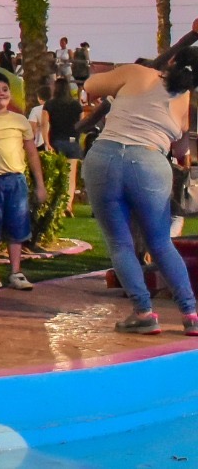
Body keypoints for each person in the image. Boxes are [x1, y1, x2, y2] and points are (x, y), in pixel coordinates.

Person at [78, 44, 198, 335]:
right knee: (160, 243)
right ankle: (190, 313)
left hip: (105, 155)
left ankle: (143, 312)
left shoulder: (137, 72)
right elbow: (180, 146)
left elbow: (91, 84)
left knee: (120, 243)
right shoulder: (185, 100)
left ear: (172, 59)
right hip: (150, 161)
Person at [0, 71, 47, 291]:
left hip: (16, 181)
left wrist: (40, 184)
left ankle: (16, 272)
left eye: (5, 89)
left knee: (17, 225)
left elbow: (32, 153)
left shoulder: (20, 120)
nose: (1, 94)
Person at [45, 77, 85, 214]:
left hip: (56, 141)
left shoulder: (49, 105)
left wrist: (46, 142)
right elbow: (81, 124)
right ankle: (68, 205)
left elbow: (46, 124)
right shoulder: (76, 105)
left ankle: (57, 206)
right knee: (70, 176)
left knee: (57, 175)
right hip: (72, 142)